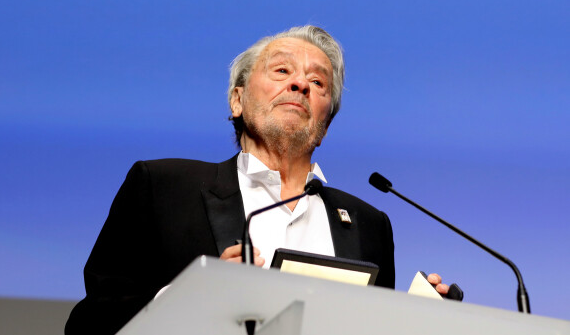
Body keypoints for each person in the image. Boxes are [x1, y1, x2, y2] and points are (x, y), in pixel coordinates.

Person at [65, 25, 448, 335]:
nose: (300, 85)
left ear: (325, 125)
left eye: (318, 83)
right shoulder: (163, 186)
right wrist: (191, 296)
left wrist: (421, 322)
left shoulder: (370, 224)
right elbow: (90, 323)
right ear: (237, 101)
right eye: (282, 71)